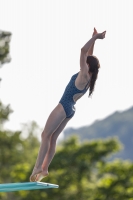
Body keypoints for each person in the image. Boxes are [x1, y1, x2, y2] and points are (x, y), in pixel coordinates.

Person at [30, 28, 106, 182]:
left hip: (63, 105)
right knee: (52, 139)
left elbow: (83, 51)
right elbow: (89, 55)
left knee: (45, 135)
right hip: (71, 109)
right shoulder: (90, 77)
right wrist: (94, 40)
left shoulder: (84, 73)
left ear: (87, 65)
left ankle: (38, 167)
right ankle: (44, 169)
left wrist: (96, 37)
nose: (83, 61)